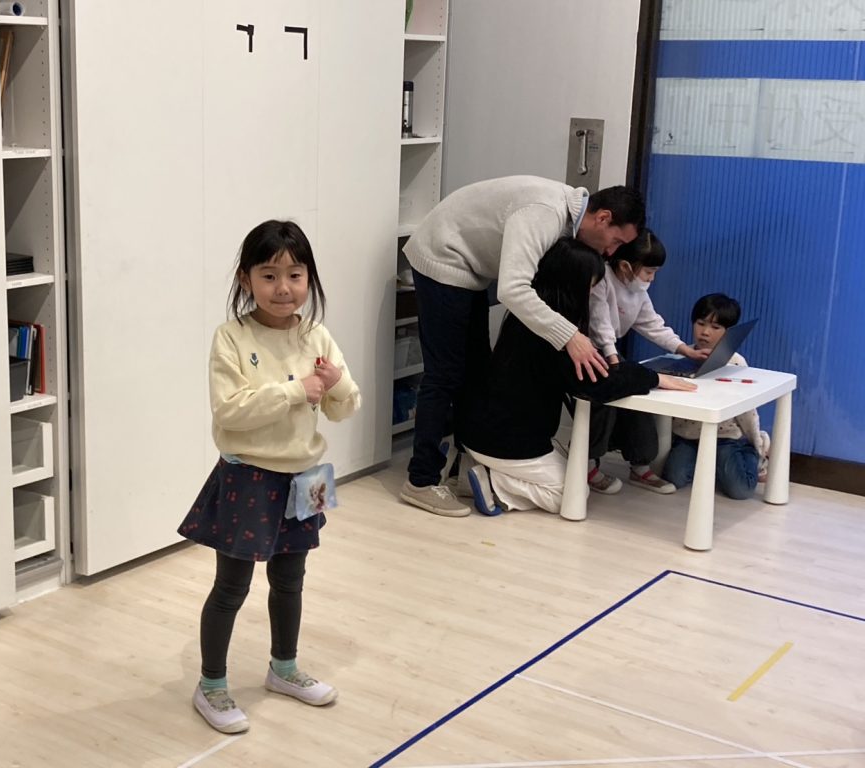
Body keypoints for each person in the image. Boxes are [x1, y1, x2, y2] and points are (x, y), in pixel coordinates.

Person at [178, 220, 361, 734]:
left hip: (306, 476)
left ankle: (284, 668)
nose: (284, 288)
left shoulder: (316, 334)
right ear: (246, 279)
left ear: (309, 279)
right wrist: (297, 390)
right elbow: (229, 411)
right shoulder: (231, 337)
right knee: (231, 586)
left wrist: (335, 384)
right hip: (249, 477)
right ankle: (211, 684)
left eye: (295, 275)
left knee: (290, 579)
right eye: (269, 275)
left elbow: (345, 407)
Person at [399, 176, 647, 517]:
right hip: (443, 256)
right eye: (616, 241)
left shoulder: (566, 222)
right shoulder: (544, 213)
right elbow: (513, 290)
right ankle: (421, 480)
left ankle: (463, 466)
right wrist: (570, 336)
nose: (612, 251)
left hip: (471, 269)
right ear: (603, 218)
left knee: (476, 368)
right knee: (445, 375)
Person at [455, 237, 697, 516]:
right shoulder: (559, 335)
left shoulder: (530, 316)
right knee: (571, 494)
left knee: (571, 468)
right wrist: (654, 379)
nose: (592, 296)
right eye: (590, 287)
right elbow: (598, 383)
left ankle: (480, 468)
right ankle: (492, 482)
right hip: (502, 439)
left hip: (484, 427)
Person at [585, 229, 710, 495]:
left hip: (611, 352)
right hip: (591, 350)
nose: (651, 279)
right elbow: (600, 325)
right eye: (649, 272)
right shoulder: (602, 279)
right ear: (625, 266)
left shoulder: (638, 291)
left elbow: (652, 324)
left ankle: (641, 464)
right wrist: (615, 365)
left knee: (640, 393)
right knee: (603, 402)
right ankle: (588, 464)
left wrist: (685, 350)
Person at [662, 293, 769, 500]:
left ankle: (750, 454)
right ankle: (711, 465)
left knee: (740, 490)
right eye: (700, 323)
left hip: (725, 437)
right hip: (688, 436)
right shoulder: (681, 356)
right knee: (674, 478)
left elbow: (747, 411)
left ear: (728, 332)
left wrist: (756, 443)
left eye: (715, 327)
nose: (705, 332)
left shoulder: (736, 363)